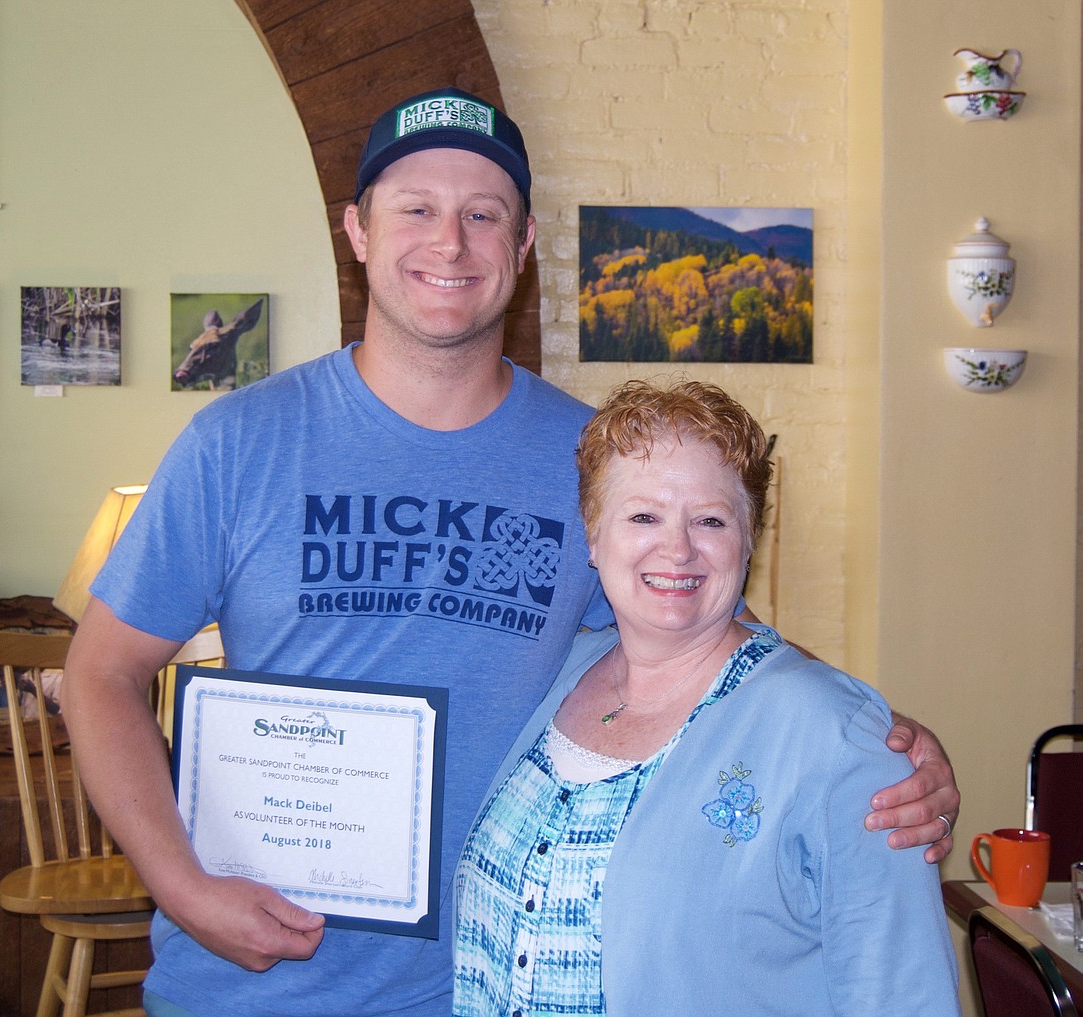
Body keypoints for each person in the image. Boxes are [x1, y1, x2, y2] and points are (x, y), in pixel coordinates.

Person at [62, 87, 959, 1017]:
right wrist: (182, 887)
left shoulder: (595, 462)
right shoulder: (237, 443)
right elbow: (100, 675)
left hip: (476, 986)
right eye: (416, 209)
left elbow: (706, 632)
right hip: (243, 988)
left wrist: (871, 736)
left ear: (524, 245)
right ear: (358, 231)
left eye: (483, 215)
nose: (450, 243)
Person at [453, 379, 960, 1016]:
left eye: (711, 520)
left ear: (749, 540)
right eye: (643, 516)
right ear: (593, 535)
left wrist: (862, 724)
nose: (677, 548)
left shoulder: (840, 742)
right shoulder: (559, 673)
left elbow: (905, 996)